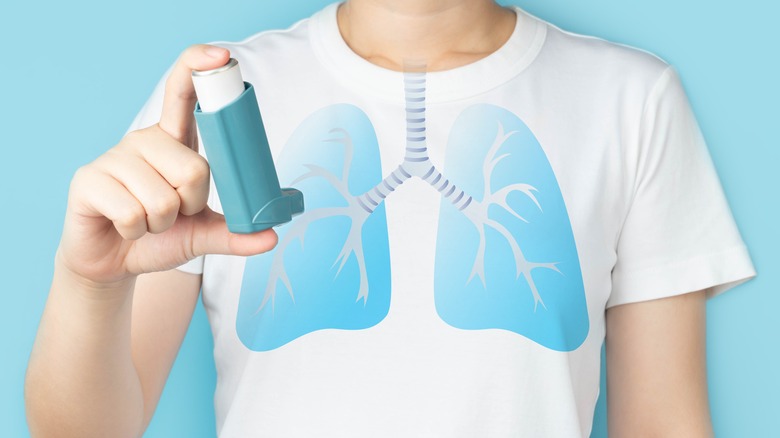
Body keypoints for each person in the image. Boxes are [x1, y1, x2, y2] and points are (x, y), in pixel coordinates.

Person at [25, 0, 756, 436]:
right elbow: (86, 432)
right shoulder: (218, 100)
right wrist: (88, 282)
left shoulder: (629, 99)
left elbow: (663, 423)